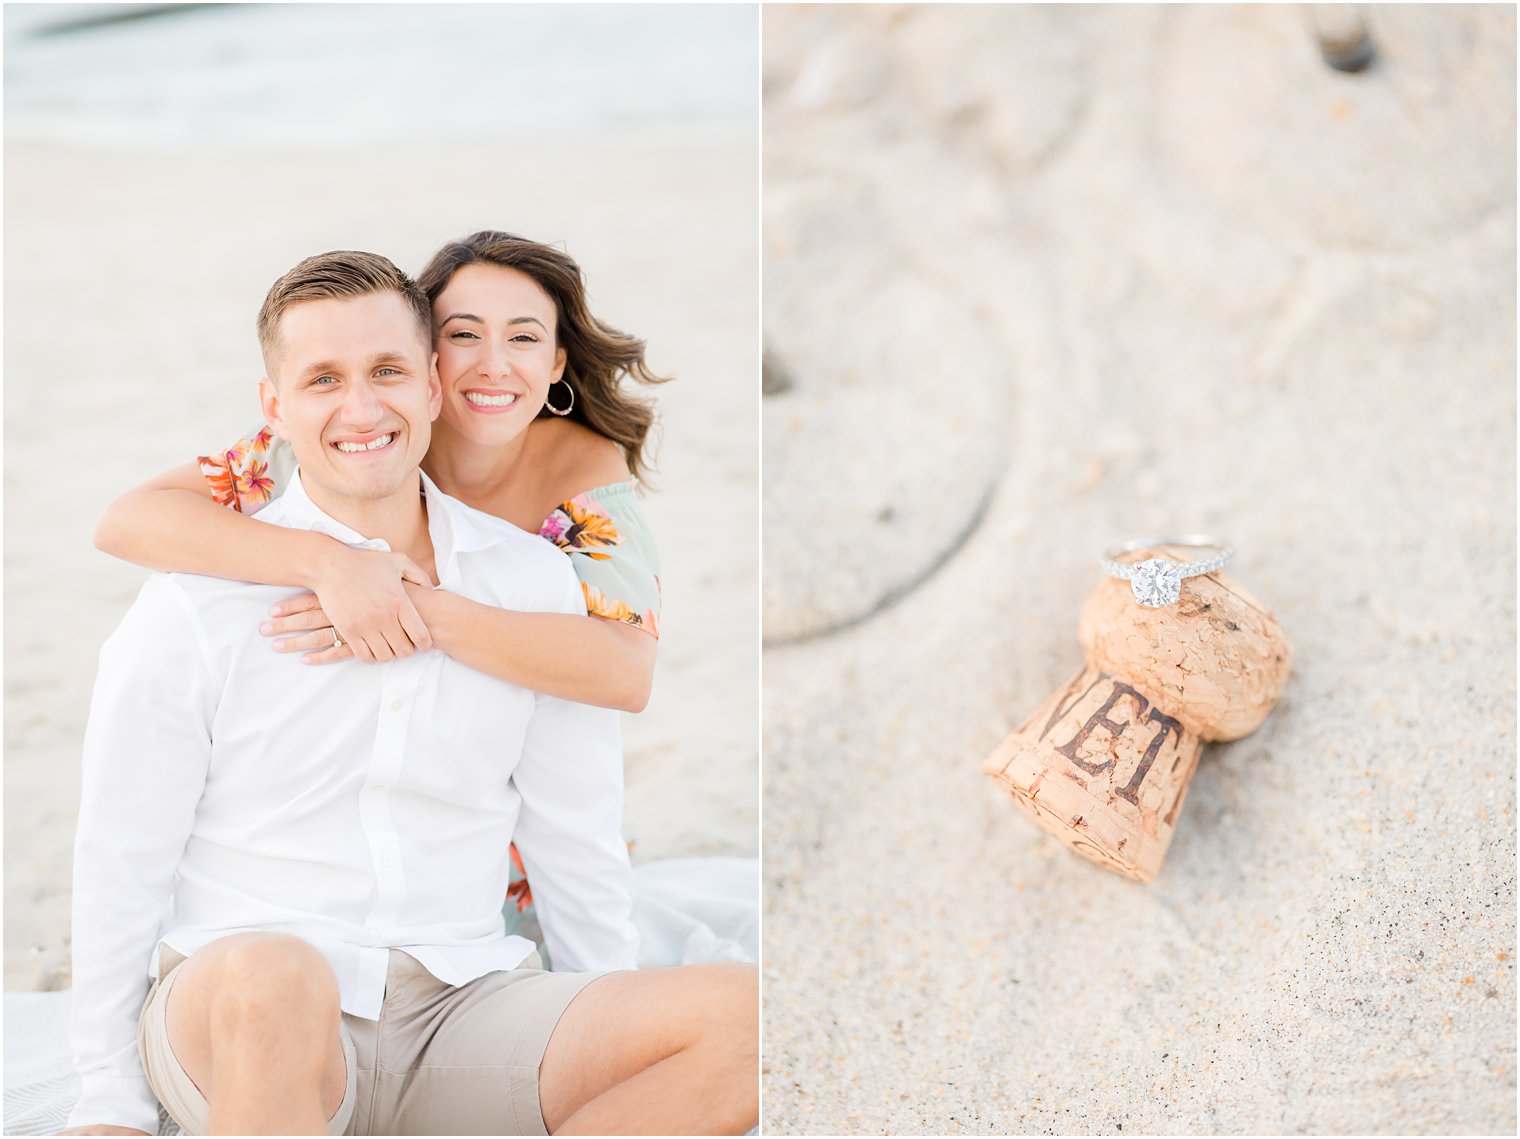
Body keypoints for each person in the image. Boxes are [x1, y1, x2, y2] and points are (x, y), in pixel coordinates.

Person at [62, 251, 757, 1137]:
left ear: (432, 386)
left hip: (461, 1003)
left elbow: (573, 834)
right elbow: (120, 857)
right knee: (277, 975)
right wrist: (108, 1103)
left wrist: (600, 1028)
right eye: (323, 380)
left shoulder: (535, 586)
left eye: (388, 370)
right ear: (274, 409)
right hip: (248, 1010)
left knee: (748, 1016)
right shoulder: (195, 603)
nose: (361, 408)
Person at [93, 230, 664, 715]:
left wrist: (405, 604)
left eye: (524, 337)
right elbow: (127, 522)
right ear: (426, 358)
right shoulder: (359, 434)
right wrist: (329, 566)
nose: (494, 365)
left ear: (556, 361)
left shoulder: (583, 467)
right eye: (464, 334)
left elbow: (627, 671)